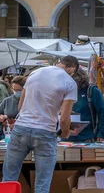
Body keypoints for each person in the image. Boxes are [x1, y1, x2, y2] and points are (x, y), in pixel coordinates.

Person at [2, 56, 78, 193]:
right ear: (72, 69)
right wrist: (65, 131)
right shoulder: (70, 82)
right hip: (45, 131)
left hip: (22, 128)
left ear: (59, 63)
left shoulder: (35, 73)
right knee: (42, 182)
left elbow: (21, 107)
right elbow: (64, 120)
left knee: (9, 177)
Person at [66, 69, 104, 142]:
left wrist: (101, 134)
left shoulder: (92, 91)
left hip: (87, 137)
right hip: (66, 137)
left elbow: (103, 113)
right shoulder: (66, 91)